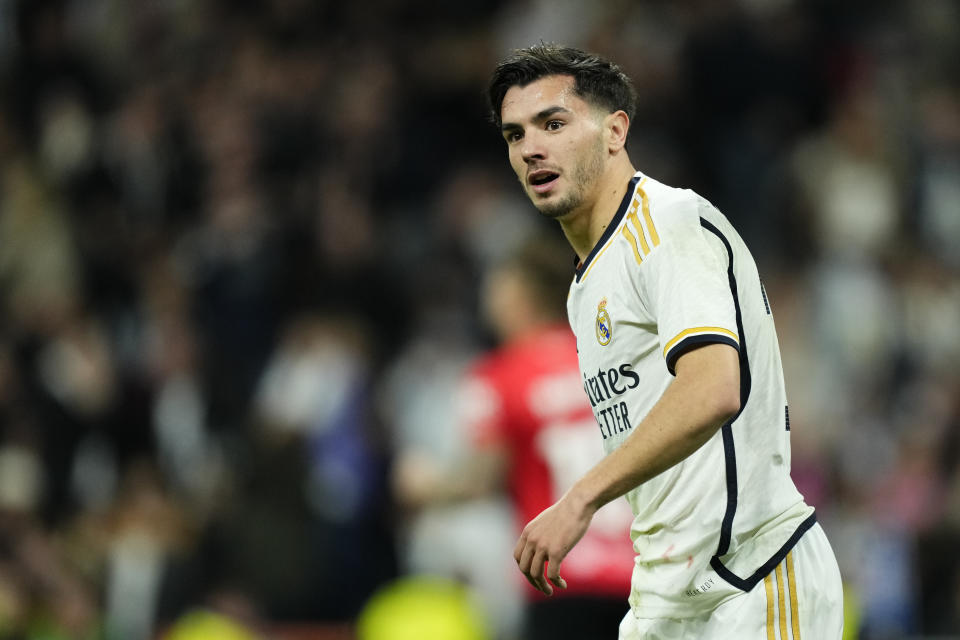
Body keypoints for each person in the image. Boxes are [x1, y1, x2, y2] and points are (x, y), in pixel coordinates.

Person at [484, 44, 844, 639]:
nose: (531, 149)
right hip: (666, 600)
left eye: (553, 124)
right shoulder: (584, 286)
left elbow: (712, 388)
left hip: (751, 582)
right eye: (514, 135)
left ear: (615, 131)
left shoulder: (667, 224)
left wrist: (579, 500)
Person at [394, 236, 635, 640]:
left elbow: (481, 477)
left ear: (519, 295)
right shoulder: (608, 361)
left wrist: (425, 487)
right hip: (636, 577)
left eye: (495, 286)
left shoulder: (500, 377)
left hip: (560, 579)